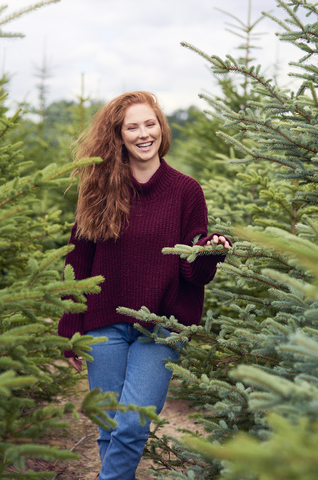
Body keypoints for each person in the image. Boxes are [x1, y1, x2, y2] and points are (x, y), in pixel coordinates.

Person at [58, 91, 231, 480]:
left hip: (162, 326)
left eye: (149, 123)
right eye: (131, 127)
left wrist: (208, 254)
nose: (142, 134)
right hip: (104, 320)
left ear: (161, 128)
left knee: (132, 423)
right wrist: (70, 324)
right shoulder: (99, 187)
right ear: (119, 135)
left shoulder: (186, 190)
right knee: (108, 425)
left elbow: (193, 273)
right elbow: (78, 259)